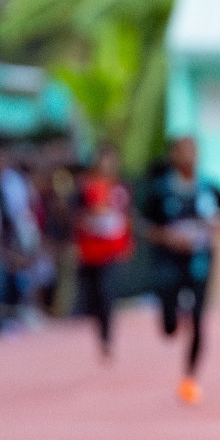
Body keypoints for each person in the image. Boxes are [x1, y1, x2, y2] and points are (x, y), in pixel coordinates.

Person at [141, 136, 220, 403]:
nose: (189, 157)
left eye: (193, 151)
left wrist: (219, 224)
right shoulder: (160, 190)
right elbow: (144, 224)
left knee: (198, 319)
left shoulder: (209, 187)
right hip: (169, 262)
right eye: (183, 151)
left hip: (200, 262)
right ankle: (171, 320)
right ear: (173, 155)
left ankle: (189, 377)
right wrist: (168, 237)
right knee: (170, 323)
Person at [74, 144, 133, 360]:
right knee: (92, 296)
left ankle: (106, 339)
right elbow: (76, 214)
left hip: (110, 250)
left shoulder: (119, 188)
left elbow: (125, 218)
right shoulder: (86, 187)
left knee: (105, 293)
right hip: (89, 250)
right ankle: (98, 329)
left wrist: (126, 243)